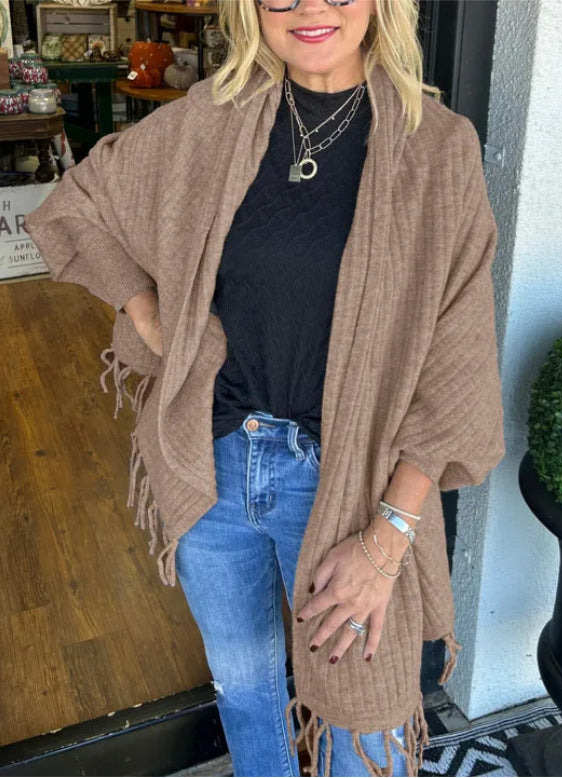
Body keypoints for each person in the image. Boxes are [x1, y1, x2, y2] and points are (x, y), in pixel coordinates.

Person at [23, 0, 506, 775]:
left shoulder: (437, 149)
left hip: (345, 483)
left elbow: (458, 364)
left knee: (361, 719)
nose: (310, 8)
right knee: (244, 689)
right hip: (210, 460)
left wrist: (388, 540)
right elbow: (80, 205)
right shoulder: (211, 120)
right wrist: (152, 319)